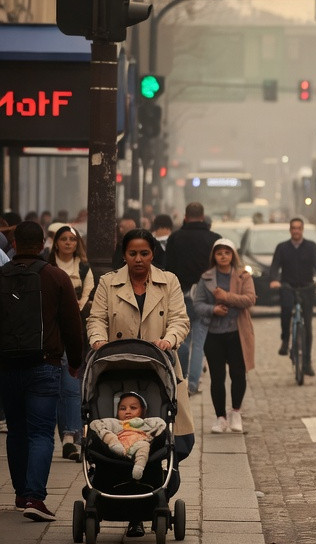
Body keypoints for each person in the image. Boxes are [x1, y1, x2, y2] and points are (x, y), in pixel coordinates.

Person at [87, 228, 194, 477]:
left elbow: (180, 319)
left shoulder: (169, 281)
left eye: (144, 253)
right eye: (132, 253)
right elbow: (96, 319)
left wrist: (169, 340)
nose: (138, 259)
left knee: (168, 433)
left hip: (159, 366)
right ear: (124, 255)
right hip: (116, 365)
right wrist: (98, 340)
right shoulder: (108, 282)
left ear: (152, 254)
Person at [0, 222, 86, 522]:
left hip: (7, 366)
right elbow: (72, 326)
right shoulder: (55, 277)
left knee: (16, 430)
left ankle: (21, 493)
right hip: (45, 364)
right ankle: (35, 499)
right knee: (40, 433)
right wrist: (75, 360)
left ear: (14, 244)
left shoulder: (1, 275)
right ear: (42, 246)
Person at [189, 239, 256, 434]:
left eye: (227, 252)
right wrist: (213, 309)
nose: (223, 256)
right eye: (220, 253)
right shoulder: (206, 277)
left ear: (233, 255)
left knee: (238, 373)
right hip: (214, 334)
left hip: (237, 333)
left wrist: (226, 297)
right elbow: (198, 304)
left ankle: (236, 411)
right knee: (217, 377)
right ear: (214, 256)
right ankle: (220, 417)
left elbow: (250, 299)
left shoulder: (244, 276)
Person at [47, 224, 94, 461]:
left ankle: (70, 436)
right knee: (59, 385)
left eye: (72, 240)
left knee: (71, 382)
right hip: (52, 331)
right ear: (56, 242)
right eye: (64, 239)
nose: (68, 243)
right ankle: (67, 435)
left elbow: (88, 295)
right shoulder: (48, 267)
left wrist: (76, 307)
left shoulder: (84, 268)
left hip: (75, 329)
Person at [163, 203, 222, 391]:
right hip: (206, 295)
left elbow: (168, 268)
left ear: (185, 218)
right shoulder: (214, 239)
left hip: (180, 293)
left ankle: (181, 380)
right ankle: (194, 383)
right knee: (200, 341)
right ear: (203, 217)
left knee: (182, 338)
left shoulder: (175, 238)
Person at [268, 218, 316, 376]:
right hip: (288, 286)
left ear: (302, 230)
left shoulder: (311, 247)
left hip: (306, 287)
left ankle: (307, 363)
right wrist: (274, 280)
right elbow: (275, 266)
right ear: (290, 230)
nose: (296, 231)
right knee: (286, 310)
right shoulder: (282, 248)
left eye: (299, 228)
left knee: (307, 325)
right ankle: (285, 339)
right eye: (293, 228)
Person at [89, 392, 167, 481]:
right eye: (123, 408)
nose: (127, 412)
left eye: (133, 408)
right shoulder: (115, 423)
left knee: (144, 446)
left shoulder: (146, 423)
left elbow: (160, 424)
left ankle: (138, 468)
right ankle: (115, 446)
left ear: (143, 410)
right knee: (106, 435)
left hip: (139, 445)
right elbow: (97, 424)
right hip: (115, 448)